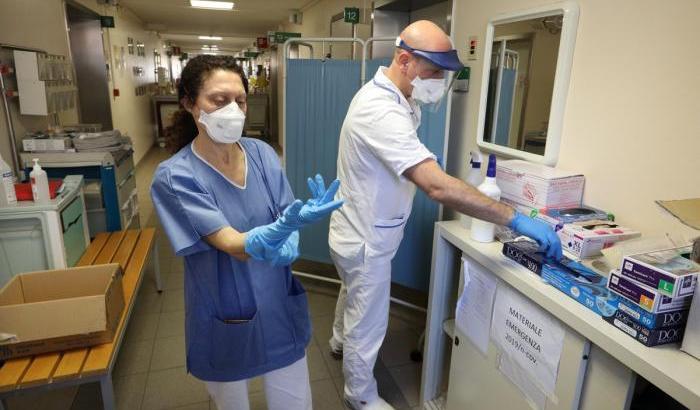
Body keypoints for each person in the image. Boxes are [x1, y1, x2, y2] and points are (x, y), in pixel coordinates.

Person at [327, 21, 563, 410]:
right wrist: (514, 219)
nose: (438, 81)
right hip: (365, 238)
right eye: (433, 71)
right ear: (404, 60)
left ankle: (338, 341)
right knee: (367, 320)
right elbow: (435, 185)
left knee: (354, 294)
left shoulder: (396, 98)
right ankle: (360, 396)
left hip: (358, 231)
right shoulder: (380, 110)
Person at [150, 55, 342, 410]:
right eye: (218, 100)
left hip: (276, 303)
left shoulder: (262, 153)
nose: (233, 111)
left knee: (295, 402)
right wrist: (280, 230)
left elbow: (286, 210)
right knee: (232, 403)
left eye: (239, 100)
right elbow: (231, 244)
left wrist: (293, 229)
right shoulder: (176, 176)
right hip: (223, 307)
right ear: (190, 103)